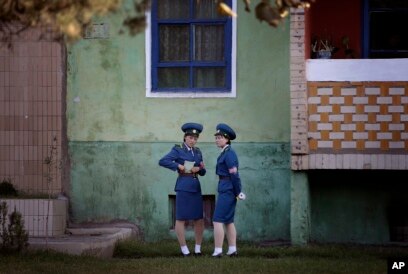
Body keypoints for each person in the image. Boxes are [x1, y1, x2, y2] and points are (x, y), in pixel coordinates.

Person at [159, 122, 206, 257]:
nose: (193, 140)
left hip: (196, 187)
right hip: (183, 186)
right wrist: (178, 166)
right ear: (185, 137)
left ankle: (198, 249)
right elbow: (163, 161)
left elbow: (203, 171)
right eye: (191, 137)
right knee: (181, 218)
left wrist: (200, 169)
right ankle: (184, 249)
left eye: (195, 138)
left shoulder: (197, 152)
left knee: (199, 219)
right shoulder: (178, 149)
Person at [212, 123, 245, 258]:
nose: (217, 140)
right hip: (227, 188)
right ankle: (232, 249)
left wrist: (238, 192)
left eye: (220, 137)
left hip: (228, 189)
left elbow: (234, 175)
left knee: (217, 220)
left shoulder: (229, 154)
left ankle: (218, 250)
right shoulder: (225, 153)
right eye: (216, 137)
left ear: (227, 139)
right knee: (228, 221)